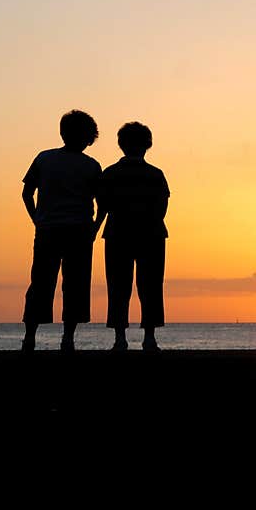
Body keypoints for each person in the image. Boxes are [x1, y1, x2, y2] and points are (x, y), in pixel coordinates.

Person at [21, 110, 102, 352]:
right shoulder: (91, 165)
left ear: (62, 132)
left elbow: (27, 193)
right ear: (89, 138)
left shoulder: (44, 158)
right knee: (75, 285)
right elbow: (103, 203)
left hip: (48, 230)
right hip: (79, 231)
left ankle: (30, 337)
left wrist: (37, 219)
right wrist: (95, 228)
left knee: (40, 283)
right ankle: (68, 338)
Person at [94, 122, 169, 352]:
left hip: (118, 233)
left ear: (121, 145)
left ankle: (120, 338)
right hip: (152, 234)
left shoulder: (110, 173)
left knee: (118, 286)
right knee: (151, 286)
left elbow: (102, 206)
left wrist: (95, 228)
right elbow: (162, 208)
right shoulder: (156, 174)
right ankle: (149, 337)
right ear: (148, 145)